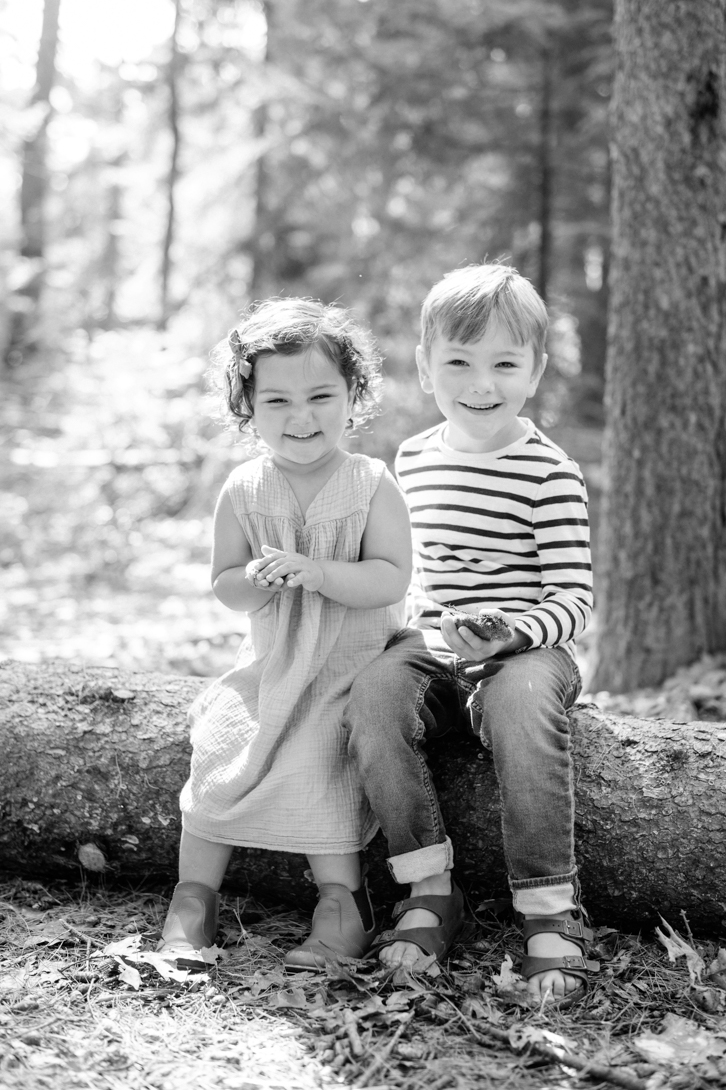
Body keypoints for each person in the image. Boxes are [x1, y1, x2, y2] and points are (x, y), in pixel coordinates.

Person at [344, 264, 597, 1003]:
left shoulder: (549, 473)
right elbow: (411, 573)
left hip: (528, 653)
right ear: (426, 367)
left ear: (535, 372)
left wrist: (515, 635)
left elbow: (574, 596)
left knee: (519, 706)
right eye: (457, 361)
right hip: (436, 645)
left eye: (503, 364)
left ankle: (550, 909)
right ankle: (429, 889)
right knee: (374, 697)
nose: (479, 382)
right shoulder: (414, 459)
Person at [159, 297, 412, 971]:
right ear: (248, 409)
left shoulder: (370, 484)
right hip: (271, 663)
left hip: (349, 665)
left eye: (321, 396)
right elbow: (224, 584)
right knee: (217, 752)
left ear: (353, 395)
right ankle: (193, 899)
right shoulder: (243, 489)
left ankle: (340, 905)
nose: (301, 418)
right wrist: (257, 580)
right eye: (276, 402)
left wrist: (319, 571)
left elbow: (391, 579)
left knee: (321, 766)